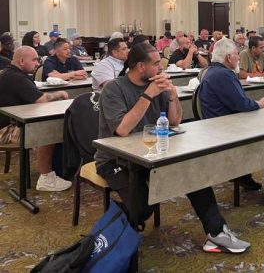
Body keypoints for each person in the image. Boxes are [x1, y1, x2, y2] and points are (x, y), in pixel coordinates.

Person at [95, 44, 250, 253]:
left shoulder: (156, 85)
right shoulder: (114, 89)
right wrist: (148, 95)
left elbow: (175, 121)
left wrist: (171, 95)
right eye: (156, 63)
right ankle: (110, 230)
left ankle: (216, 233)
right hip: (116, 159)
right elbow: (122, 130)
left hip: (153, 152)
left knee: (191, 170)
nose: (161, 68)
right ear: (140, 66)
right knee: (142, 208)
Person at [199, 38, 264, 208]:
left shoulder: (212, 71)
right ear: (228, 58)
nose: (239, 58)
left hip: (221, 126)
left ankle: (244, 176)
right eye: (235, 55)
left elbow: (237, 102)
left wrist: (255, 104)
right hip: (228, 132)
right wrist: (259, 104)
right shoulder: (224, 75)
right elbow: (242, 104)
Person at [0, 46, 71, 191]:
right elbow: (40, 100)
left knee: (51, 125)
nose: (37, 63)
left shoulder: (11, 73)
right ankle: (46, 178)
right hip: (4, 130)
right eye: (33, 60)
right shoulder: (16, 78)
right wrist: (60, 94)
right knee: (46, 131)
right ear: (21, 61)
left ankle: (61, 169)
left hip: (11, 123)